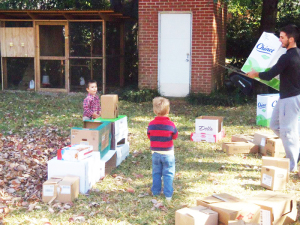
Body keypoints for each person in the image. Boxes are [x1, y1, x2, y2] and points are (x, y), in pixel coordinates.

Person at [247, 24, 300, 172]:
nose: (280, 40)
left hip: (290, 98)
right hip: (287, 97)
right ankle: (296, 147)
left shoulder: (287, 57)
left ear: (291, 39)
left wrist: (255, 73)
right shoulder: (297, 54)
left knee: (288, 132)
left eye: (282, 37)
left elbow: (270, 75)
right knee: (274, 125)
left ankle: (291, 164)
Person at [147, 97, 178, 201]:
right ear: (168, 110)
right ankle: (168, 195)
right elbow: (175, 136)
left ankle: (155, 192)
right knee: (168, 174)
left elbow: (149, 135)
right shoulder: (171, 124)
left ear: (155, 111)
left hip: (155, 153)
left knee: (156, 173)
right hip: (168, 154)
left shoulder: (151, 124)